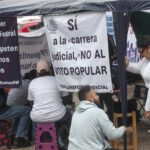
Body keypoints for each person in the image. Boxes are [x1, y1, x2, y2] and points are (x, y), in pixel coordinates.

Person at [68, 85, 126, 150]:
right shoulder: (98, 112)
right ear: (91, 98)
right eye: (96, 94)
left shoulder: (75, 114)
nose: (98, 96)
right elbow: (112, 135)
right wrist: (123, 128)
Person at [28, 60, 71, 127]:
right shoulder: (58, 80)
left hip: (37, 117)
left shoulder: (32, 83)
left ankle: (35, 136)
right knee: (69, 112)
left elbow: (31, 103)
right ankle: (66, 135)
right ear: (49, 70)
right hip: (58, 115)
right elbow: (67, 98)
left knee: (34, 115)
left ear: (37, 72)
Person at [126, 35, 150, 119]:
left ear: (149, 48)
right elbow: (138, 68)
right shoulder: (145, 60)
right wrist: (128, 64)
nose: (141, 55)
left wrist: (147, 108)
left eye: (141, 52)